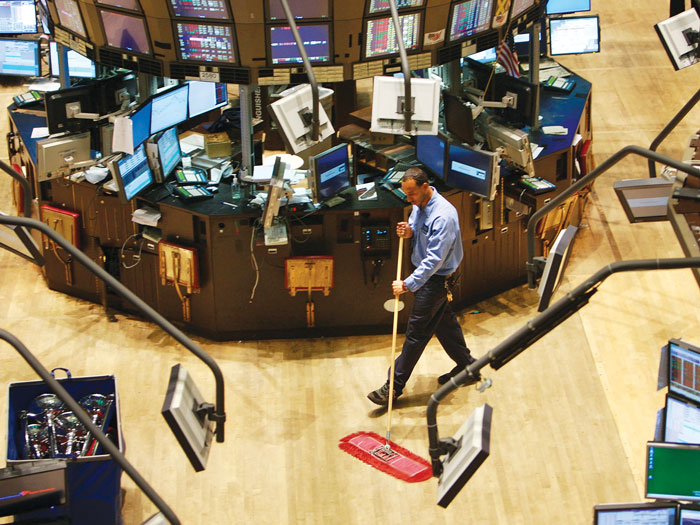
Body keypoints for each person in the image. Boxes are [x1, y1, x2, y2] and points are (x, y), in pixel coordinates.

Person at [367, 168, 479, 406]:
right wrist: (410, 231)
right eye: (406, 194)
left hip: (436, 279)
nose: (409, 199)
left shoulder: (444, 216)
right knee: (444, 324)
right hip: (428, 275)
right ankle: (469, 367)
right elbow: (417, 226)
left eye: (412, 194)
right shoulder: (419, 204)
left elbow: (434, 260)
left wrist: (408, 284)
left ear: (425, 186)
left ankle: (393, 387)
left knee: (417, 333)